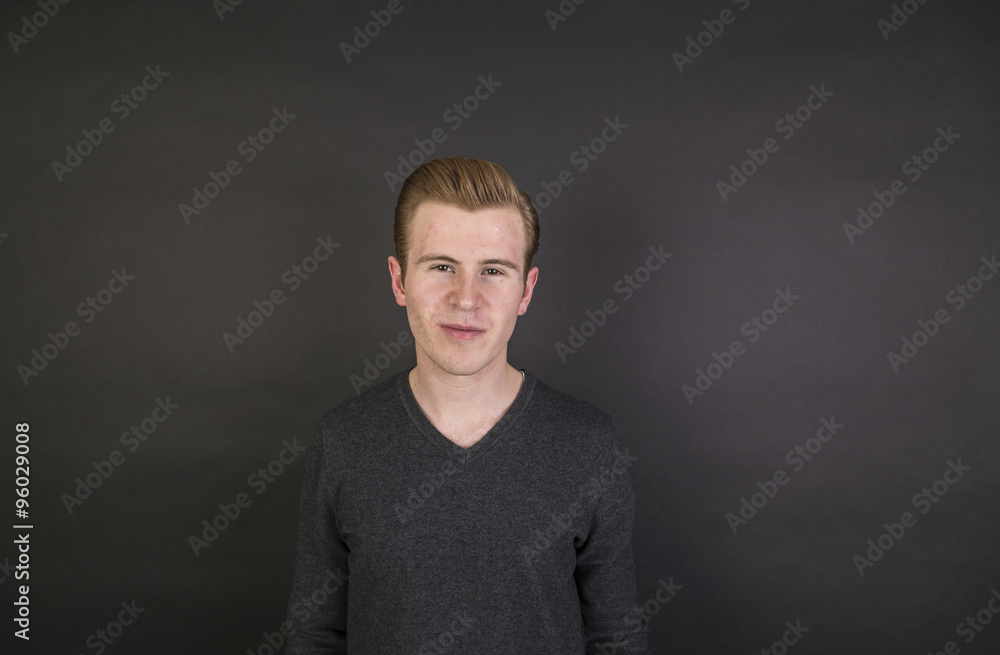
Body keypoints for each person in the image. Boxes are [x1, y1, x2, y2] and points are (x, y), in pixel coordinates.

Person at [285, 157, 650, 654]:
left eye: (494, 271)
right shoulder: (344, 440)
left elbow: (618, 638)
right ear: (398, 281)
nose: (466, 299)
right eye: (441, 267)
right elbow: (313, 636)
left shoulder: (588, 443)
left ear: (526, 290)